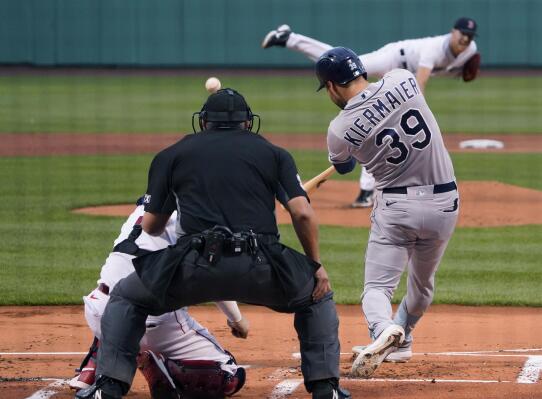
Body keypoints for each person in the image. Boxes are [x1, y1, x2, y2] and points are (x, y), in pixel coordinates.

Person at [75, 89, 350, 399]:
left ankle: (108, 388)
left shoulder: (172, 155)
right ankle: (327, 389)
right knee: (317, 297)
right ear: (248, 123)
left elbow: (151, 226)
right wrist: (315, 266)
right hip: (260, 265)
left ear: (203, 122)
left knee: (126, 297)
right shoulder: (275, 154)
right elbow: (302, 214)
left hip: (193, 267)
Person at [314, 47, 459, 378]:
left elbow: (345, 165)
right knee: (421, 286)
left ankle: (383, 330)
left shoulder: (339, 128)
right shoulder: (403, 79)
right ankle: (402, 338)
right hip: (444, 202)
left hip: (397, 210)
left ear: (332, 87)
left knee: (377, 289)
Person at [262, 17, 478, 208]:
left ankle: (366, 191)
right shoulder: (435, 50)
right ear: (453, 32)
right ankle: (289, 38)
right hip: (393, 59)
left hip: (400, 78)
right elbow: (420, 85)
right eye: (462, 34)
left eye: (469, 36)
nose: (466, 39)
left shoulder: (470, 50)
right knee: (339, 67)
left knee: (377, 128)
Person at [69, 199, 247, 398]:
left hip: (98, 310)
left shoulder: (147, 204)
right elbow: (212, 277)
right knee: (232, 377)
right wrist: (236, 319)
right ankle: (157, 364)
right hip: (154, 322)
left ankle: (93, 367)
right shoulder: (200, 209)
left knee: (119, 300)